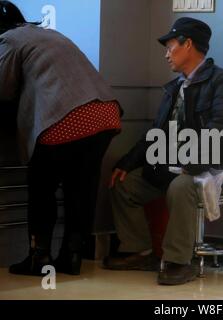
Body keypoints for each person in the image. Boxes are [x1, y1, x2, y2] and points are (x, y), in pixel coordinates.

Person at [103, 17, 223, 285]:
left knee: (182, 185)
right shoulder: (175, 88)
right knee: (124, 184)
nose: (166, 54)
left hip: (212, 170)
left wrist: (190, 164)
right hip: (173, 166)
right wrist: (127, 162)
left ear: (188, 44)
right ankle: (140, 250)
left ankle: (178, 261)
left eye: (170, 47)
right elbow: (156, 134)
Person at [0, 1, 123, 276]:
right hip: (105, 113)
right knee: (80, 190)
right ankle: (72, 256)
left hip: (66, 118)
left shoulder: (8, 39)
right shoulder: (52, 34)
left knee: (41, 187)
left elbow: (2, 88)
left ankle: (38, 258)